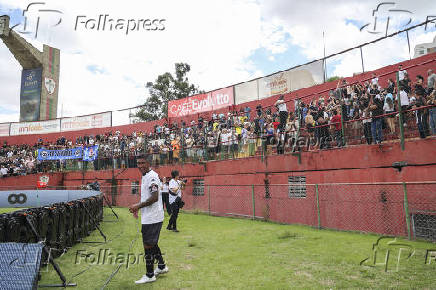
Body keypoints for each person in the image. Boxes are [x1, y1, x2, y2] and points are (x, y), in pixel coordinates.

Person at [129, 156, 168, 284]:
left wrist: (137, 206)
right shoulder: (146, 176)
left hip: (153, 217)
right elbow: (147, 196)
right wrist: (138, 208)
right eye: (138, 163)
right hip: (149, 216)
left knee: (148, 244)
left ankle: (150, 275)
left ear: (148, 163)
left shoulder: (152, 177)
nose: (140, 165)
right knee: (152, 243)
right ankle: (161, 266)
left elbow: (155, 197)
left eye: (142, 163)